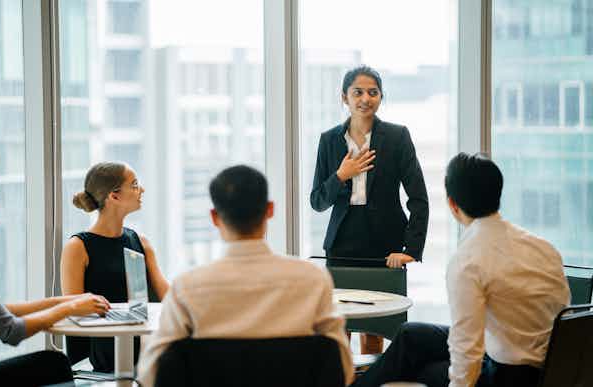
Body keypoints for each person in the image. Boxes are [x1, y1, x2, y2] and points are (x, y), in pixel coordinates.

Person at [352, 153, 570, 387]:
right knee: (410, 336)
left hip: (508, 376)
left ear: (452, 204)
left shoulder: (468, 260)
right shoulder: (543, 247)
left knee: (424, 369)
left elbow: (467, 350)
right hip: (549, 368)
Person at [136, 165, 354, 387]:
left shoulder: (188, 287)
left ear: (214, 217)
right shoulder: (313, 279)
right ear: (270, 210)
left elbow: (152, 373)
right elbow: (342, 368)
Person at [0, 158, 111, 386]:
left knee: (52, 365)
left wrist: (69, 300)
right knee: (53, 364)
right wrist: (71, 308)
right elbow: (11, 331)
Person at [310, 64, 429, 353]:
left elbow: (419, 198)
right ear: (344, 97)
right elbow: (317, 201)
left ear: (380, 97)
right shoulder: (329, 140)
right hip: (341, 247)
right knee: (339, 333)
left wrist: (411, 250)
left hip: (384, 247)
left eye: (373, 92)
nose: (365, 98)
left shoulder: (398, 137)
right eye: (358, 92)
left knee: (375, 332)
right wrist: (341, 175)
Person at [60, 161, 169, 372]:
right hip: (102, 348)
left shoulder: (141, 241)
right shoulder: (77, 247)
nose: (142, 190)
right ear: (114, 196)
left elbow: (167, 295)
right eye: (135, 184)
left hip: (144, 341)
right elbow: (74, 309)